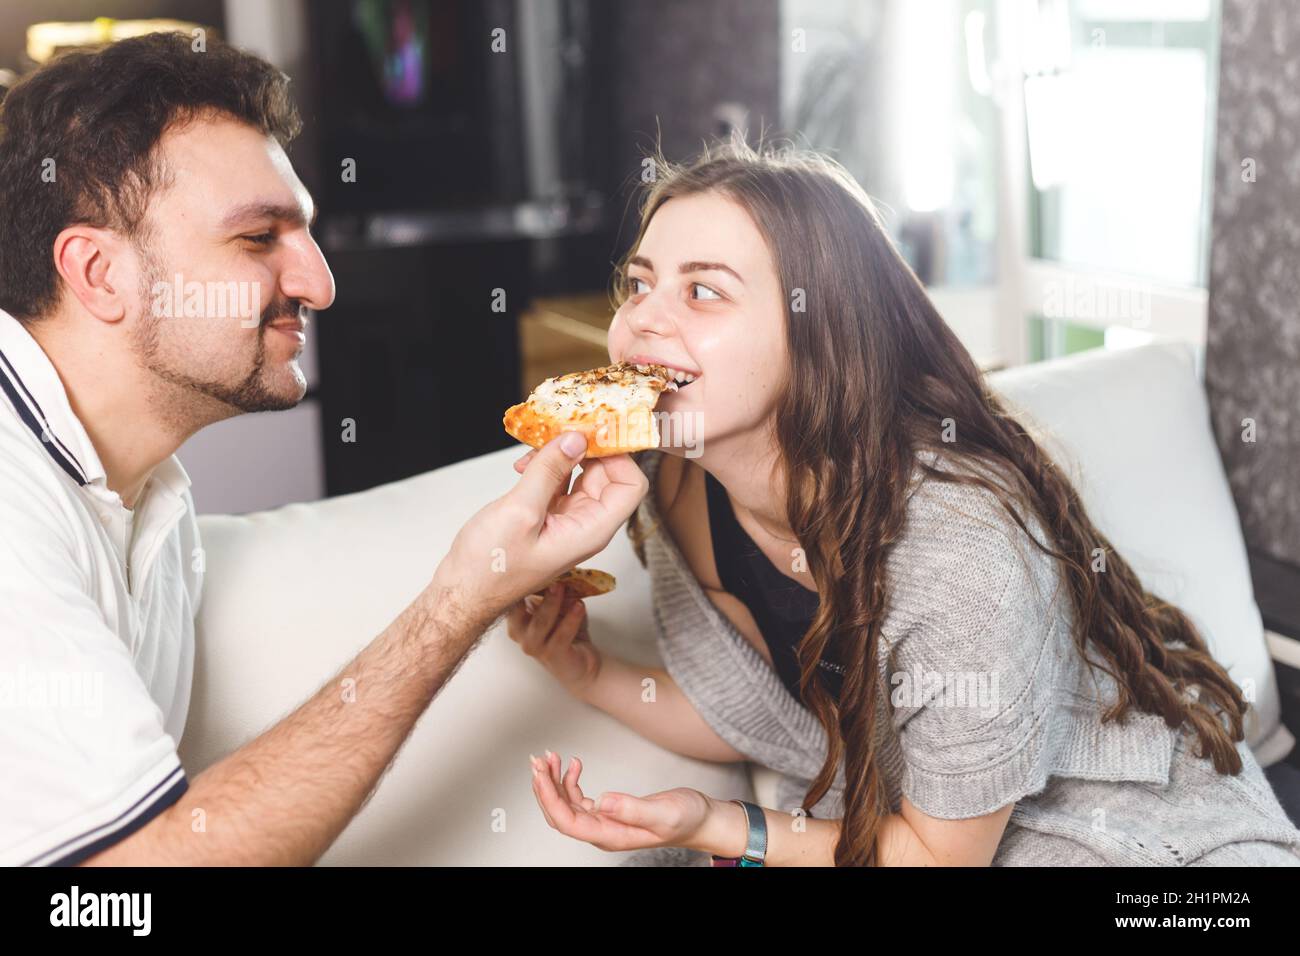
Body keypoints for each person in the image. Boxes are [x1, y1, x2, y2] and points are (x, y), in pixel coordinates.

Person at [508, 139, 1300, 866]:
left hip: (1147, 848)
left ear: (822, 330)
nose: (643, 317)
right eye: (639, 283)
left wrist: (717, 824)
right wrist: (587, 673)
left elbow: (936, 859)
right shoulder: (672, 483)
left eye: (704, 292)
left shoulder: (957, 550)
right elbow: (772, 707)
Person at [0, 31, 647, 866]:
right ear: (97, 272)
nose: (319, 284)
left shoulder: (150, 492)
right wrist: (458, 603)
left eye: (302, 232)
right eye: (258, 237)